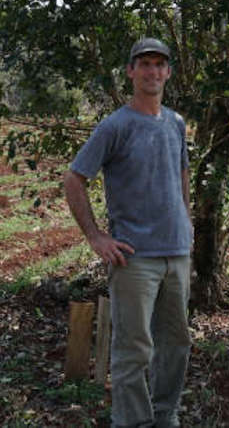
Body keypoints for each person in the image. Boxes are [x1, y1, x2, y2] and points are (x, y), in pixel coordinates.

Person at [63, 37, 193, 428]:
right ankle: (132, 422)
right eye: (145, 64)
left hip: (177, 253)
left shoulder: (175, 122)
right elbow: (74, 177)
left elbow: (182, 171)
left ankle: (165, 417)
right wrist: (96, 237)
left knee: (176, 345)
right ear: (131, 71)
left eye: (160, 65)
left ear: (168, 72)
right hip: (135, 257)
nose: (153, 72)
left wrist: (186, 219)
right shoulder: (115, 125)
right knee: (133, 350)